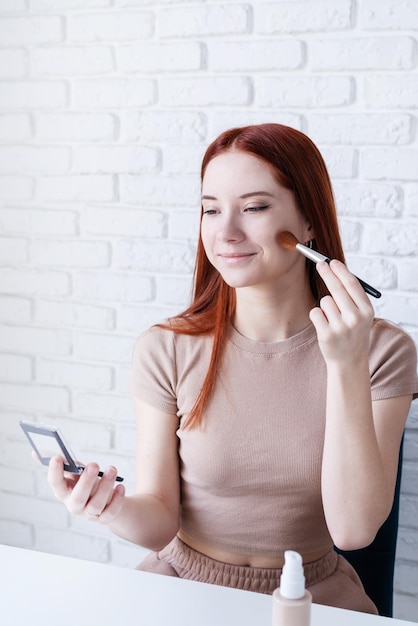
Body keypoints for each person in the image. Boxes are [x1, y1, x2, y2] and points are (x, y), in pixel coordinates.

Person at [48, 124, 418, 614]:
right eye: (211, 209)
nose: (225, 233)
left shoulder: (382, 351)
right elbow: (159, 520)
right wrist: (109, 508)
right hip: (181, 586)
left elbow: (353, 531)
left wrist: (346, 364)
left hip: (310, 598)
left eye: (255, 207)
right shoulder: (167, 348)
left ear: (310, 222)